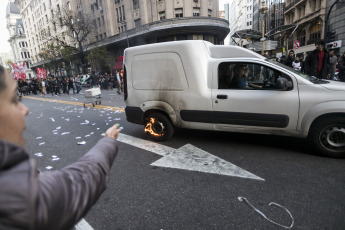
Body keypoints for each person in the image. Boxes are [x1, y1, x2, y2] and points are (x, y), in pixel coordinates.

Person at [0, 64, 121, 230]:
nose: (25, 110)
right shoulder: (14, 195)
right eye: (14, 100)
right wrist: (108, 141)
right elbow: (77, 183)